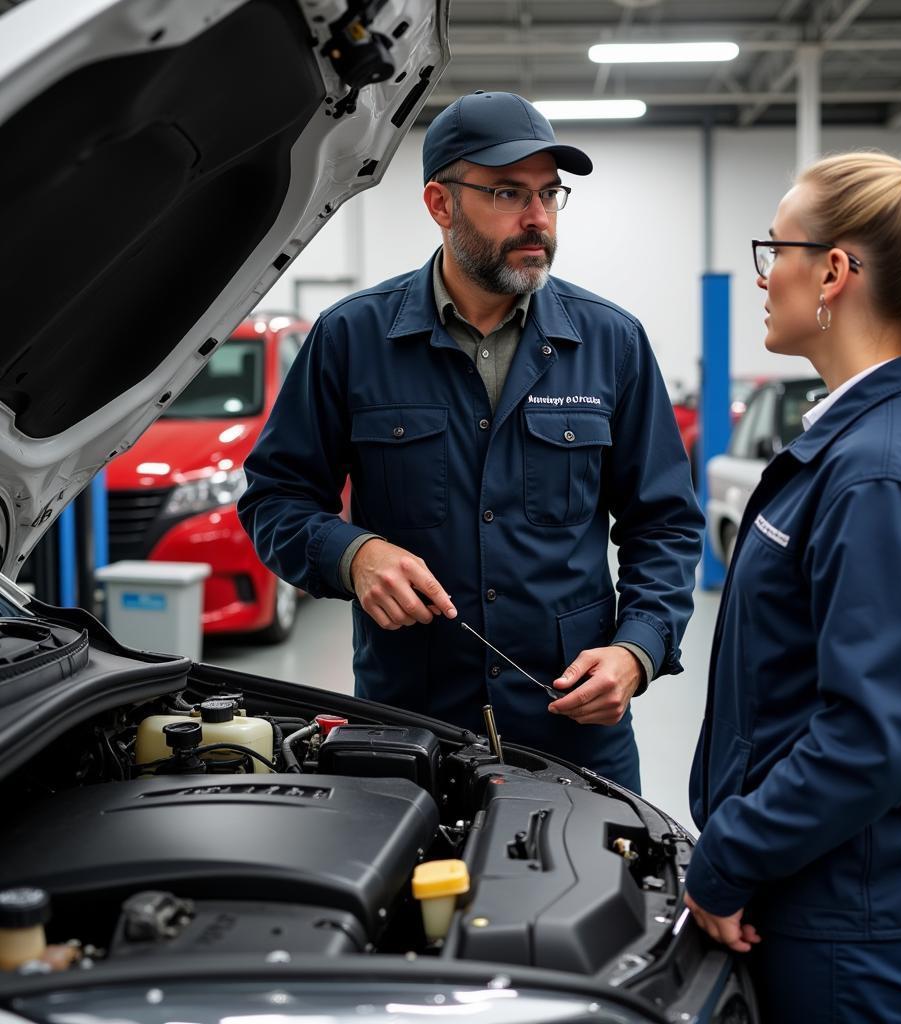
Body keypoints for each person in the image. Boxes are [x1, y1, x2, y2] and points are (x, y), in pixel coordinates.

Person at [238, 91, 703, 792]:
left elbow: (664, 523)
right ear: (440, 203)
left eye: (549, 193)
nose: (537, 218)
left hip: (573, 732)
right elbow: (275, 497)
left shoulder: (611, 343)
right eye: (508, 192)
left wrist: (637, 650)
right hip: (407, 729)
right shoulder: (352, 339)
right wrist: (352, 554)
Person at [684, 147, 901, 1022]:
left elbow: (870, 735)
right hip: (835, 883)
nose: (763, 278)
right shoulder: (879, 435)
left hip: (850, 916)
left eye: (774, 249)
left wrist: (727, 858)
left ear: (832, 271)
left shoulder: (883, 471)